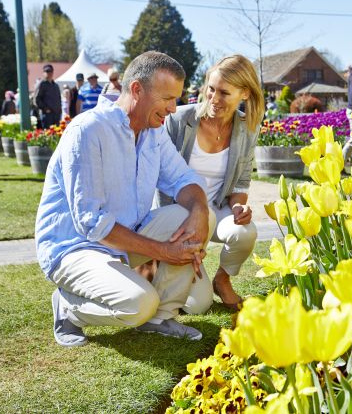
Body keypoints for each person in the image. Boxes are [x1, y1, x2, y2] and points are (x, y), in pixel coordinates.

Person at [35, 51, 213, 347]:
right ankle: (68, 308)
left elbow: (186, 180)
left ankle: (161, 317)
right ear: (136, 90)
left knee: (194, 214)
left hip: (123, 240)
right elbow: (91, 223)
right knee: (139, 304)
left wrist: (200, 212)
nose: (173, 108)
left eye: (176, 99)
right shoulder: (88, 130)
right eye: (167, 98)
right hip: (74, 249)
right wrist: (164, 251)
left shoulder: (153, 133)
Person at [156, 54, 264, 312]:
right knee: (198, 306)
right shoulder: (179, 121)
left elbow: (241, 182)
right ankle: (173, 272)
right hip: (179, 216)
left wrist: (238, 207)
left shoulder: (248, 127)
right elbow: (161, 181)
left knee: (244, 232)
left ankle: (222, 279)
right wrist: (178, 234)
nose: (214, 99)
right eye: (211, 89)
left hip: (215, 210)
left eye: (225, 93)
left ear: (245, 94)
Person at [34, 64, 62, 128]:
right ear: (43, 73)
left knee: (57, 134)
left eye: (50, 71)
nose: (49, 73)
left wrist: (59, 111)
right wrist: (45, 109)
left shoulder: (55, 85)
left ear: (53, 72)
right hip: (47, 115)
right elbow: (36, 99)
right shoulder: (41, 84)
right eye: (47, 72)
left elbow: (59, 99)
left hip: (56, 115)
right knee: (48, 135)